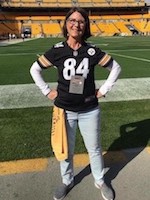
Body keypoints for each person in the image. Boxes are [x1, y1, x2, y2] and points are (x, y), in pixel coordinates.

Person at [30, 7, 121, 200]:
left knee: (94, 148)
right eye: (72, 20)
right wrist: (47, 91)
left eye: (81, 21)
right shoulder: (57, 51)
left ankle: (100, 180)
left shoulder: (92, 50)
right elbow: (34, 69)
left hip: (89, 109)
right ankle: (67, 181)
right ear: (66, 24)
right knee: (66, 149)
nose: (76, 24)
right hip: (64, 109)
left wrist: (103, 90)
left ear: (85, 26)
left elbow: (116, 68)